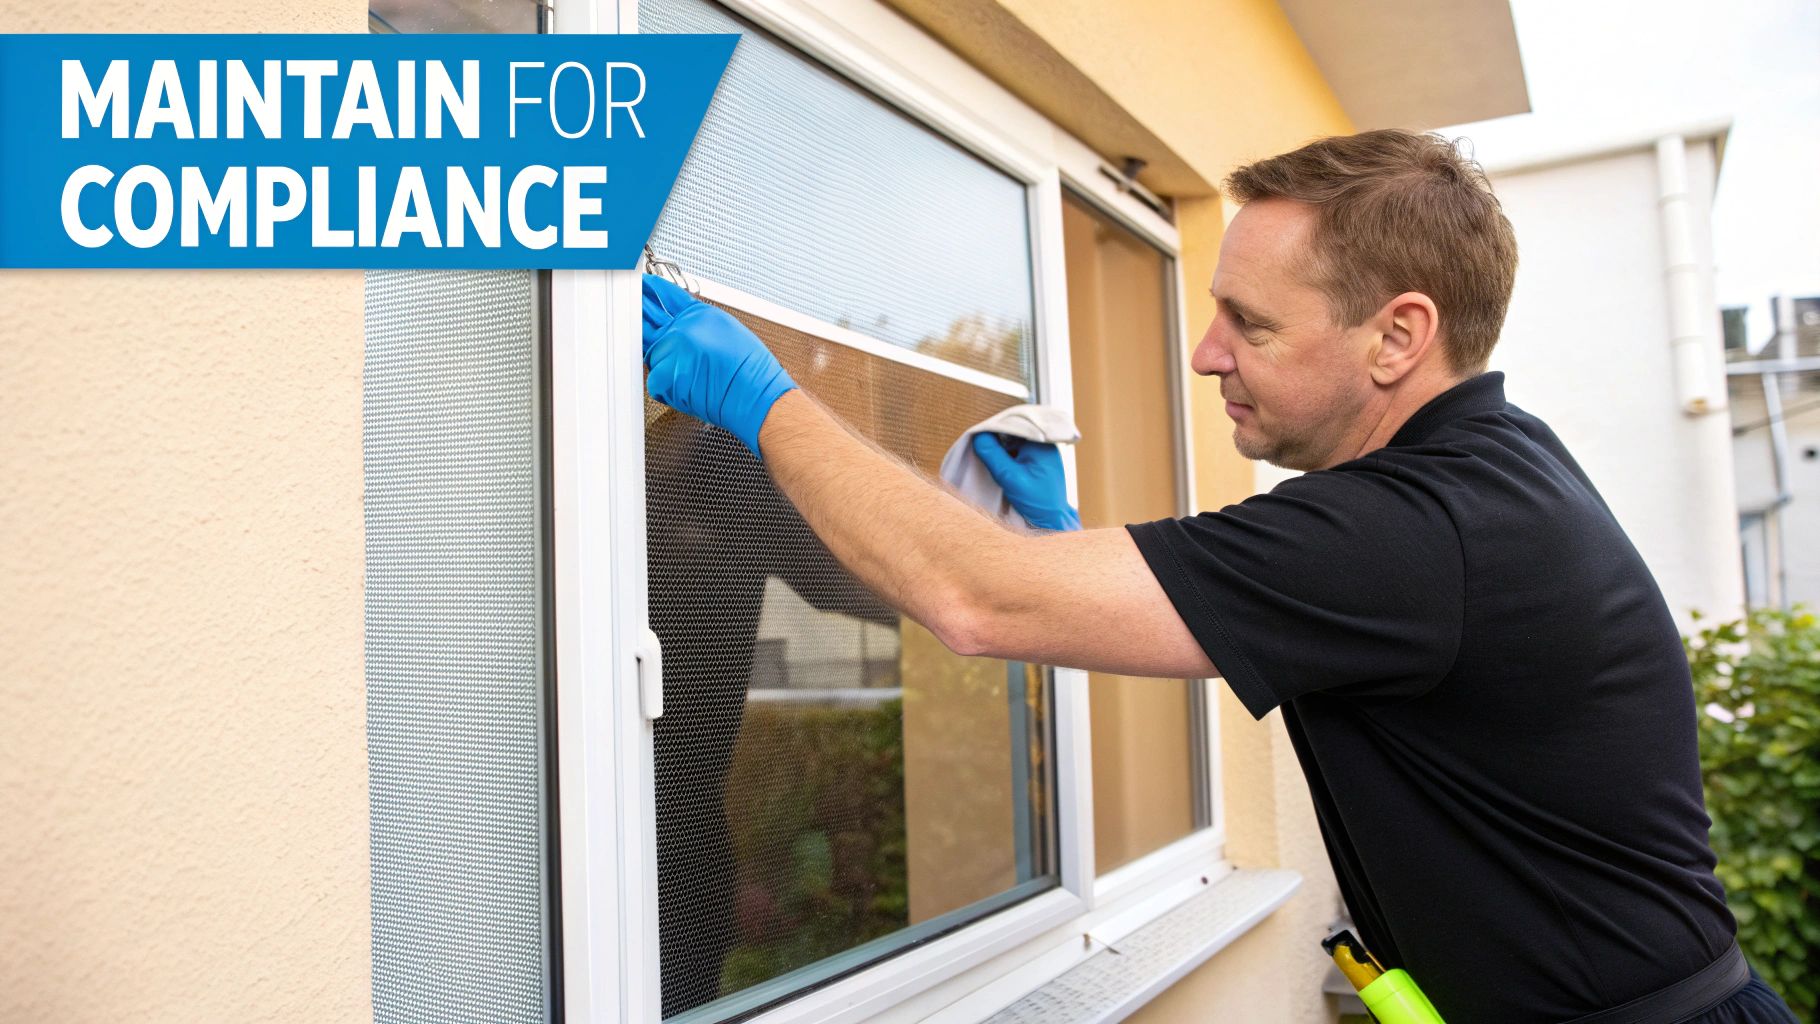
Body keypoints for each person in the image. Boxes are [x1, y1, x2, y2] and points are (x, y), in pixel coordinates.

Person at [639, 129, 1799, 1023]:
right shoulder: (1481, 476)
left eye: (1249, 324)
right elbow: (1160, 609)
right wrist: (1062, 546)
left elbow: (974, 601)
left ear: (1396, 336)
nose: (1204, 354)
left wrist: (761, 400)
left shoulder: (1417, 529)